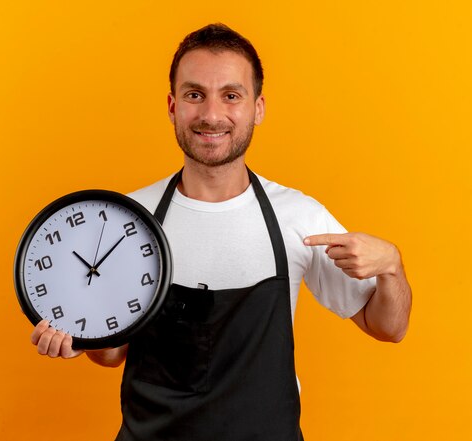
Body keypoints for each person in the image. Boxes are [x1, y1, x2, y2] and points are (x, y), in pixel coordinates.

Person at [30, 23, 412, 440]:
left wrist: (392, 265)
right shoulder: (127, 220)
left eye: (231, 95)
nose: (211, 115)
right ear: (173, 106)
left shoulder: (299, 217)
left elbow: (388, 327)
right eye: (195, 95)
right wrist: (82, 337)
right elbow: (113, 354)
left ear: (258, 108)